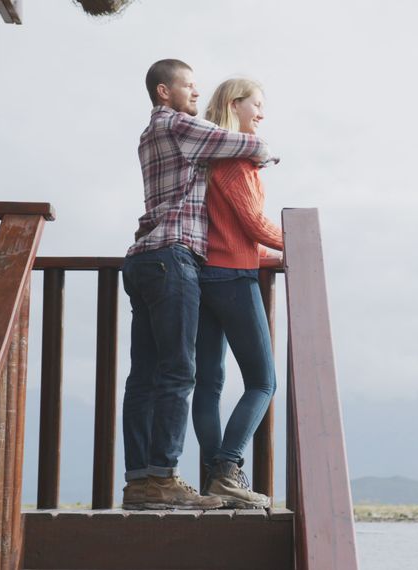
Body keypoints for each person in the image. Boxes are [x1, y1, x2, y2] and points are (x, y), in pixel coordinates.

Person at [122, 60, 273, 510]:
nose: (195, 92)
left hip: (144, 258)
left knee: (145, 377)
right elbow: (249, 144)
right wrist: (263, 151)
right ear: (164, 92)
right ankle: (169, 476)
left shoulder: (150, 135)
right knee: (179, 372)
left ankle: (140, 482)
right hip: (174, 258)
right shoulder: (177, 126)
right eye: (188, 85)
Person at [192, 78, 282, 508]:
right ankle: (227, 469)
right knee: (263, 381)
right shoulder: (236, 162)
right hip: (232, 277)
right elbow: (254, 226)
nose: (262, 113)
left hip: (204, 274)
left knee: (209, 383)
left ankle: (215, 481)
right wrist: (304, 240)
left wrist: (265, 252)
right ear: (234, 104)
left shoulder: (209, 158)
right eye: (257, 104)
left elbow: (236, 230)